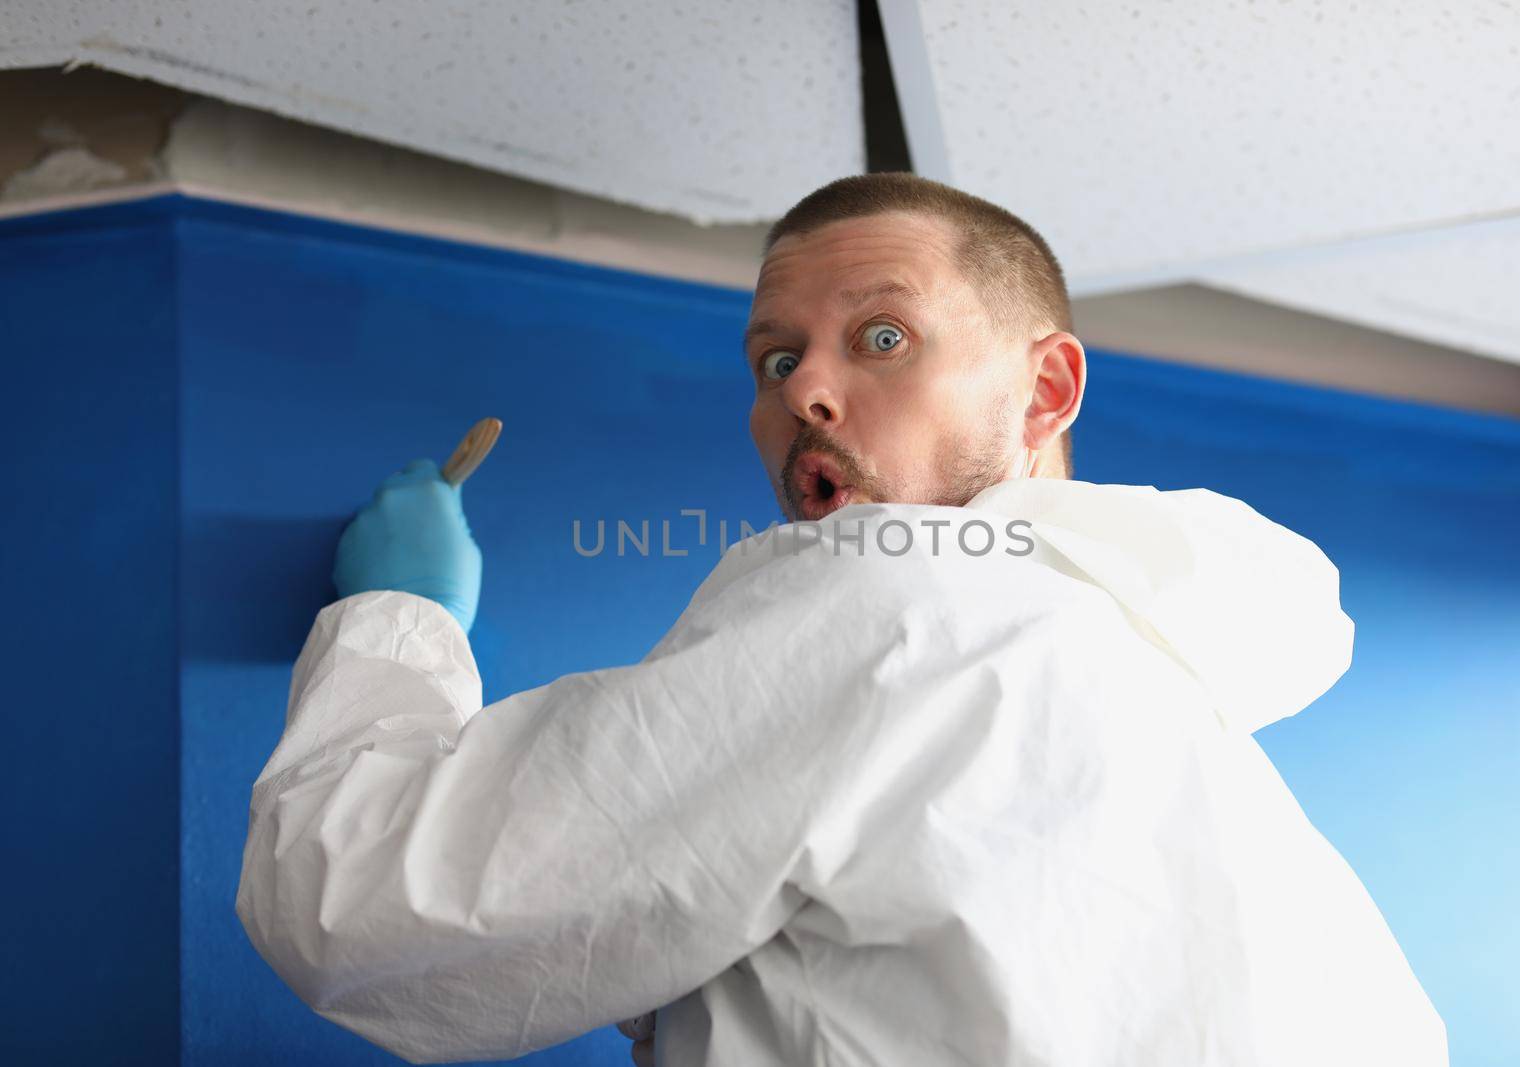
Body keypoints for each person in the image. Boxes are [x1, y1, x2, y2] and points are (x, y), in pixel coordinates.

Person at [236, 173, 1448, 1066]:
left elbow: (359, 906)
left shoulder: (899, 601)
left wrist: (396, 615)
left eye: (884, 337)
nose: (805, 393)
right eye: (774, 359)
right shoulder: (1151, 678)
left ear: (1045, 388)